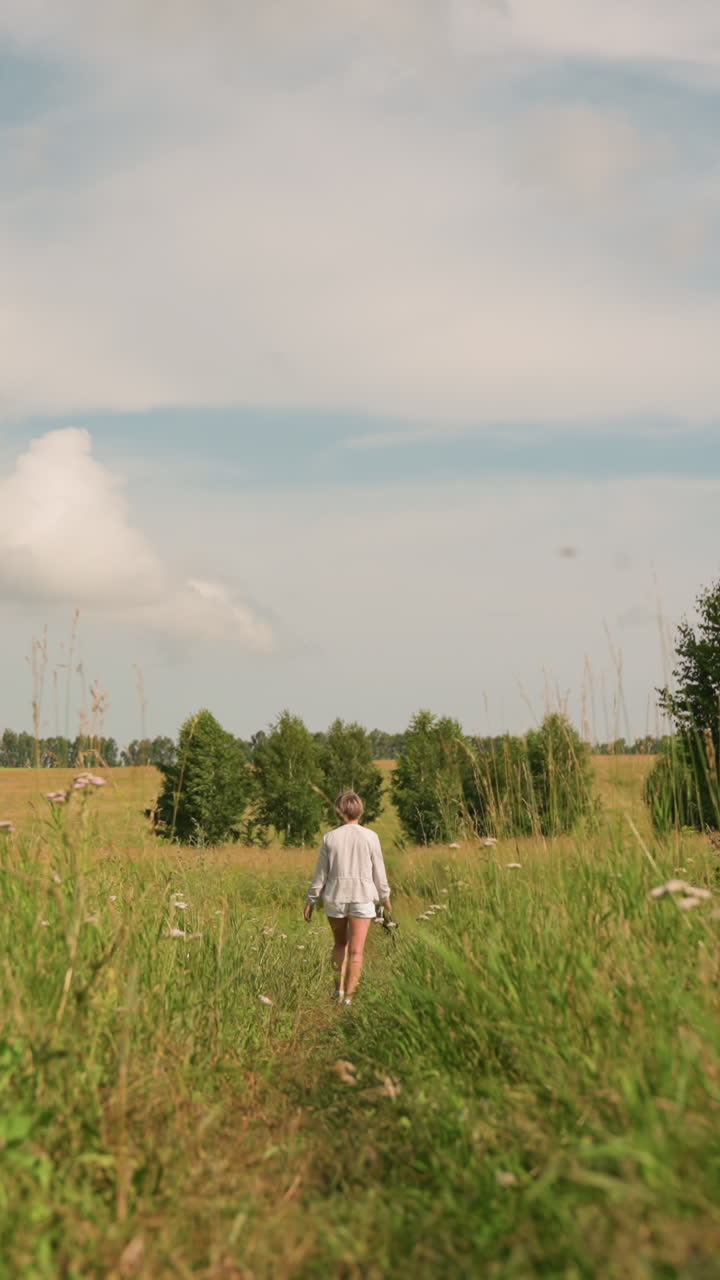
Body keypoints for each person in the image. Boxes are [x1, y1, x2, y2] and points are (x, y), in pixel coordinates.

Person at [304, 790, 391, 1006]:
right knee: (356, 951)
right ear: (359, 810)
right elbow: (378, 871)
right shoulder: (371, 837)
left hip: (336, 897)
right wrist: (385, 897)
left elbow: (321, 874)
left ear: (339, 812)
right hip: (362, 897)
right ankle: (350, 998)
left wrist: (311, 900)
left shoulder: (330, 837)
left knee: (339, 945)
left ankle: (338, 991)